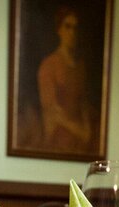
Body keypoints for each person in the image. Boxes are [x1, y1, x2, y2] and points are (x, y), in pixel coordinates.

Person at [37, 7, 95, 153]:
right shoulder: (49, 64)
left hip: (81, 143)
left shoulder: (80, 67)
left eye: (75, 28)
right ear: (59, 30)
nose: (72, 32)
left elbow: (83, 103)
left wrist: (87, 130)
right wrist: (79, 131)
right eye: (67, 26)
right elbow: (51, 110)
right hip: (58, 140)